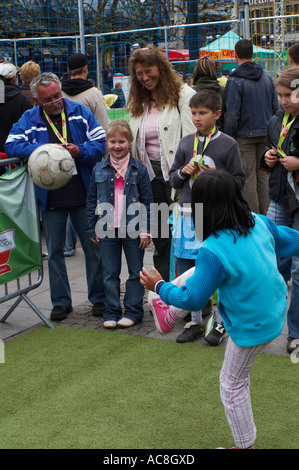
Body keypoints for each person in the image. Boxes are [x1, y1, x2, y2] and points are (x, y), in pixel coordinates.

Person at [140, 169, 299, 449]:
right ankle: (167, 311)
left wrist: (159, 286)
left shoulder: (213, 248)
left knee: (232, 384)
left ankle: (244, 446)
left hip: (252, 325)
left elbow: (193, 301)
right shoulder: (260, 223)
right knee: (200, 272)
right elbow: (291, 242)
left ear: (203, 208)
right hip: (273, 312)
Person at [5, 72, 107, 321]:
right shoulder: (29, 118)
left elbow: (101, 142)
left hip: (83, 195)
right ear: (37, 101)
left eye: (56, 96)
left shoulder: (80, 113)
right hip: (50, 199)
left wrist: (80, 150)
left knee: (94, 251)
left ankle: (99, 298)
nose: (54, 102)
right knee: (55, 252)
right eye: (47, 100)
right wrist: (44, 152)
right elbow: (11, 143)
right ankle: (61, 302)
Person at [168, 90, 245, 344]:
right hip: (188, 216)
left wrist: (215, 176)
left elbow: (238, 181)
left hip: (218, 217)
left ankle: (222, 324)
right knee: (189, 268)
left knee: (220, 268)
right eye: (194, 113)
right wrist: (183, 170)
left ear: (217, 114)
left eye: (203, 113)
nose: (197, 118)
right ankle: (196, 321)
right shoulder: (185, 142)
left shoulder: (228, 144)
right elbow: (173, 180)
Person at [128, 46, 196, 281]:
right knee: (160, 235)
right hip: (150, 176)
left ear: (161, 68)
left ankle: (191, 294)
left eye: (149, 71)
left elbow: (191, 137)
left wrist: (186, 176)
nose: (145, 78)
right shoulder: (139, 100)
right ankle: (164, 290)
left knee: (187, 235)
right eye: (139, 74)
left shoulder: (182, 94)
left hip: (178, 174)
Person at [86, 120, 153, 329]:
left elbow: (148, 202)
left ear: (130, 142)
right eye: (112, 141)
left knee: (135, 272)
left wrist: (146, 230)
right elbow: (90, 200)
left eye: (121, 141)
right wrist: (90, 227)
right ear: (106, 143)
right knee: (109, 272)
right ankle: (112, 310)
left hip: (133, 228)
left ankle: (133, 310)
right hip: (106, 228)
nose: (117, 146)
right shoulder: (98, 169)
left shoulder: (139, 169)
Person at [260, 65, 299, 354]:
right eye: (280, 95)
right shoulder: (276, 120)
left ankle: (295, 330)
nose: (284, 101)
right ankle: (262, 318)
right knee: (269, 257)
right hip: (278, 197)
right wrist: (267, 158)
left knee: (298, 269)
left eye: (289, 95)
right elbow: (266, 160)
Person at [224, 39, 279, 215]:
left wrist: (229, 138)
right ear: (252, 54)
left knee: (247, 180)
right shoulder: (267, 77)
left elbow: (232, 114)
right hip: (266, 135)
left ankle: (253, 221)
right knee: (263, 179)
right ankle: (268, 220)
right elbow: (275, 108)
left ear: (235, 55)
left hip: (244, 137)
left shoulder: (235, 79)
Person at [61, 52, 109, 131]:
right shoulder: (94, 94)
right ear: (85, 69)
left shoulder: (59, 94)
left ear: (68, 70)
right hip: (89, 141)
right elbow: (103, 125)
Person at [192, 55, 225, 130]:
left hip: (197, 135)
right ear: (213, 71)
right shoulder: (223, 91)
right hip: (219, 133)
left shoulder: (191, 92)